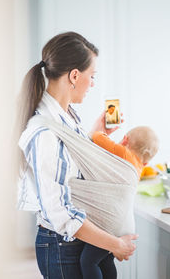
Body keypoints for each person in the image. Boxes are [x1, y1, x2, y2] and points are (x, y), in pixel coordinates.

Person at [17, 31, 138, 279]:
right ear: (74, 75)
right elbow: (59, 211)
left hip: (75, 242)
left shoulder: (67, 118)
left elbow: (73, 168)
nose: (93, 84)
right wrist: (115, 244)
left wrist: (96, 132)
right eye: (91, 76)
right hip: (63, 245)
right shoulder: (45, 132)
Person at [70, 126, 159, 279]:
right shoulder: (138, 167)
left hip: (110, 223)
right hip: (124, 224)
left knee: (88, 261)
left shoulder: (125, 154)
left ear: (125, 140)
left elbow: (97, 137)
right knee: (105, 260)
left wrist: (103, 131)